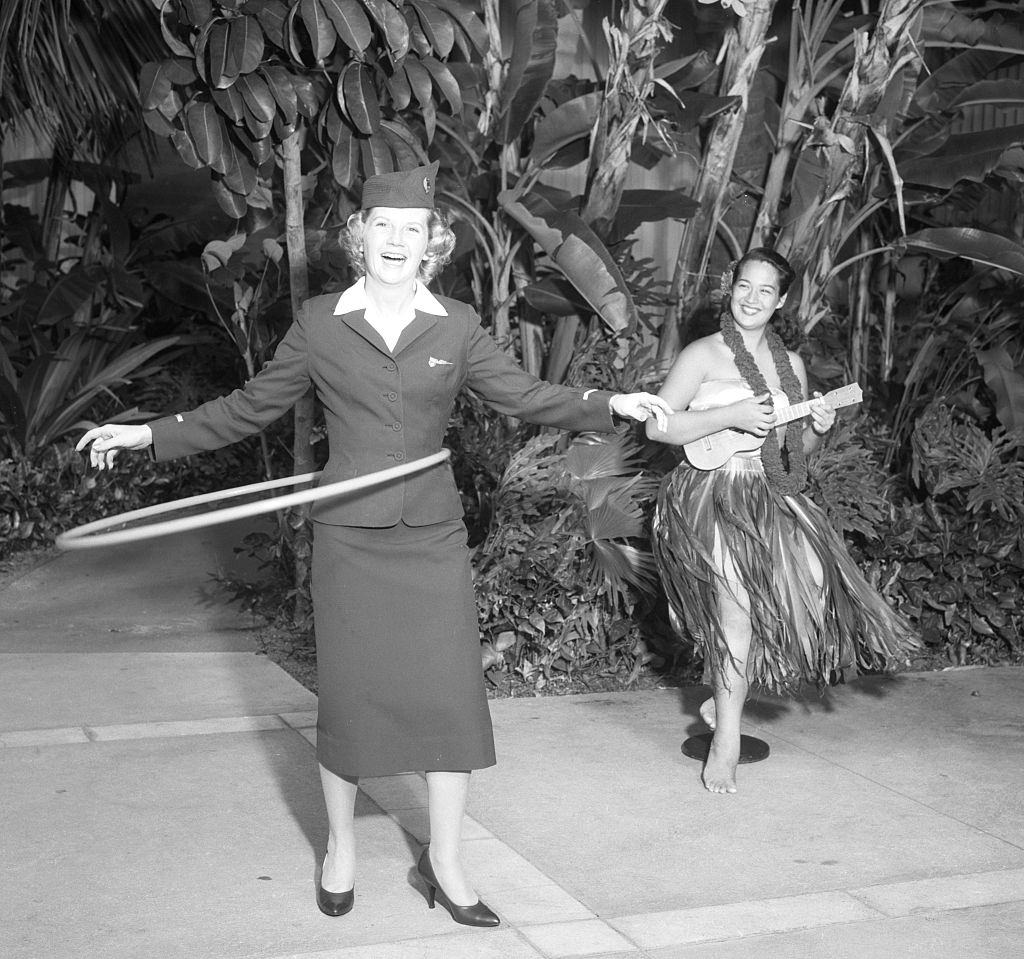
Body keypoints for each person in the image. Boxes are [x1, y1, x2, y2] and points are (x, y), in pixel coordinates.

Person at [76, 162, 672, 926]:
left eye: (411, 228)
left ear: (432, 242)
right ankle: (340, 849)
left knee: (451, 698)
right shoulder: (323, 321)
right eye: (382, 225)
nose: (396, 239)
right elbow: (250, 406)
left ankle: (447, 862)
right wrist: (147, 434)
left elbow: (522, 393)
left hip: (430, 537)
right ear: (361, 236)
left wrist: (607, 399)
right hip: (350, 539)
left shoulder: (455, 325)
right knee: (352, 699)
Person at [647, 247, 918, 795]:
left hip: (770, 494)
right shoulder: (703, 353)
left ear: (782, 299)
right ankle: (724, 743)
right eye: (744, 286)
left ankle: (725, 695)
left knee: (809, 591)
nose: (751, 299)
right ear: (731, 289)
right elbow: (658, 427)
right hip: (710, 494)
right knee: (736, 614)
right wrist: (730, 414)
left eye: (765, 291)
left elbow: (799, 455)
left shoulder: (791, 366)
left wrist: (817, 426)